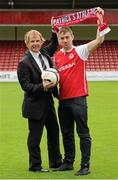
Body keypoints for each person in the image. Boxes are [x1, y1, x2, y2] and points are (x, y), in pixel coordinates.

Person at [53, 7, 105, 176]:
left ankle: (85, 165)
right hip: (63, 100)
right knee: (67, 133)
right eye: (62, 37)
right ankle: (68, 163)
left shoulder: (80, 51)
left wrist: (100, 20)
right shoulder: (57, 57)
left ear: (72, 37)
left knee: (83, 133)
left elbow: (99, 40)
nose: (65, 39)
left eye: (67, 37)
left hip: (79, 100)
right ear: (59, 39)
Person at [17, 28, 62, 172]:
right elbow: (26, 86)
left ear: (42, 41)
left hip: (48, 103)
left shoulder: (45, 53)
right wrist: (41, 86)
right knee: (35, 137)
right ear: (26, 43)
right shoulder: (24, 62)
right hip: (35, 105)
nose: (35, 44)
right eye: (32, 41)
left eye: (37, 41)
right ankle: (35, 165)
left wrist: (54, 29)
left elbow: (54, 43)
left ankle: (55, 162)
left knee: (54, 132)